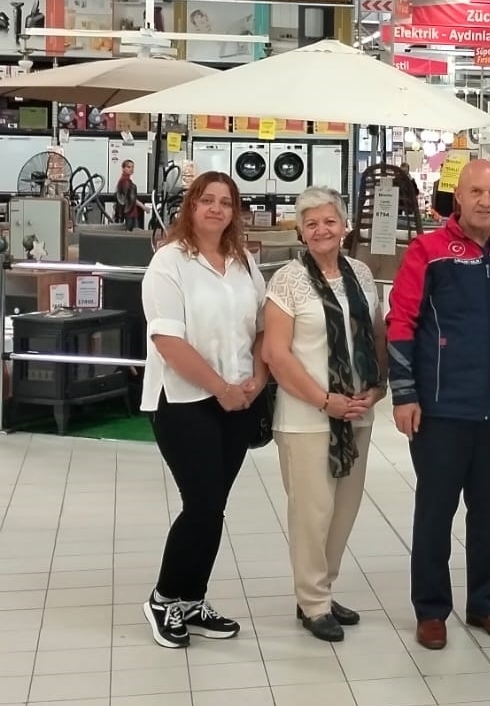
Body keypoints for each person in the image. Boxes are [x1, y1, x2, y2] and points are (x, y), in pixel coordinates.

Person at [388, 158, 490, 651]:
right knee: (436, 511)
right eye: (476, 192)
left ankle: (485, 604)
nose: (485, 201)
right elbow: (401, 322)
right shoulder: (428, 251)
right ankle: (431, 610)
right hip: (441, 407)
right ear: (459, 195)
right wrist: (405, 393)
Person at [140, 171, 267, 650]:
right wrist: (219, 387)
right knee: (203, 504)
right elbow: (168, 340)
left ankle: (192, 600)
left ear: (235, 211)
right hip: (183, 401)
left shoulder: (244, 262)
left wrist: (257, 380)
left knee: (214, 507)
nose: (216, 209)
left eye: (225, 202)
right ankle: (163, 598)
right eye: (207, 200)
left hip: (239, 400)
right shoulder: (169, 262)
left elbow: (262, 328)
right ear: (191, 206)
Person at [261, 187, 387, 642]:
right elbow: (276, 353)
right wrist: (323, 398)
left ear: (345, 226)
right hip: (307, 418)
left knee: (343, 512)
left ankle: (322, 591)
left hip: (356, 413)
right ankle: (312, 602)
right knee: (312, 515)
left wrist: (377, 388)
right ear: (300, 231)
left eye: (329, 221)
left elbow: (377, 334)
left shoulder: (361, 273)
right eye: (311, 223)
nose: (321, 230)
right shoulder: (288, 281)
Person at [115, 158, 142, 230]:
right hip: (129, 212)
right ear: (123, 168)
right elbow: (130, 197)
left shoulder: (126, 181)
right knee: (132, 232)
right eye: (128, 167)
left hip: (130, 211)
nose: (131, 169)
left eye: (132, 167)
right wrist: (143, 207)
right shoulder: (125, 181)